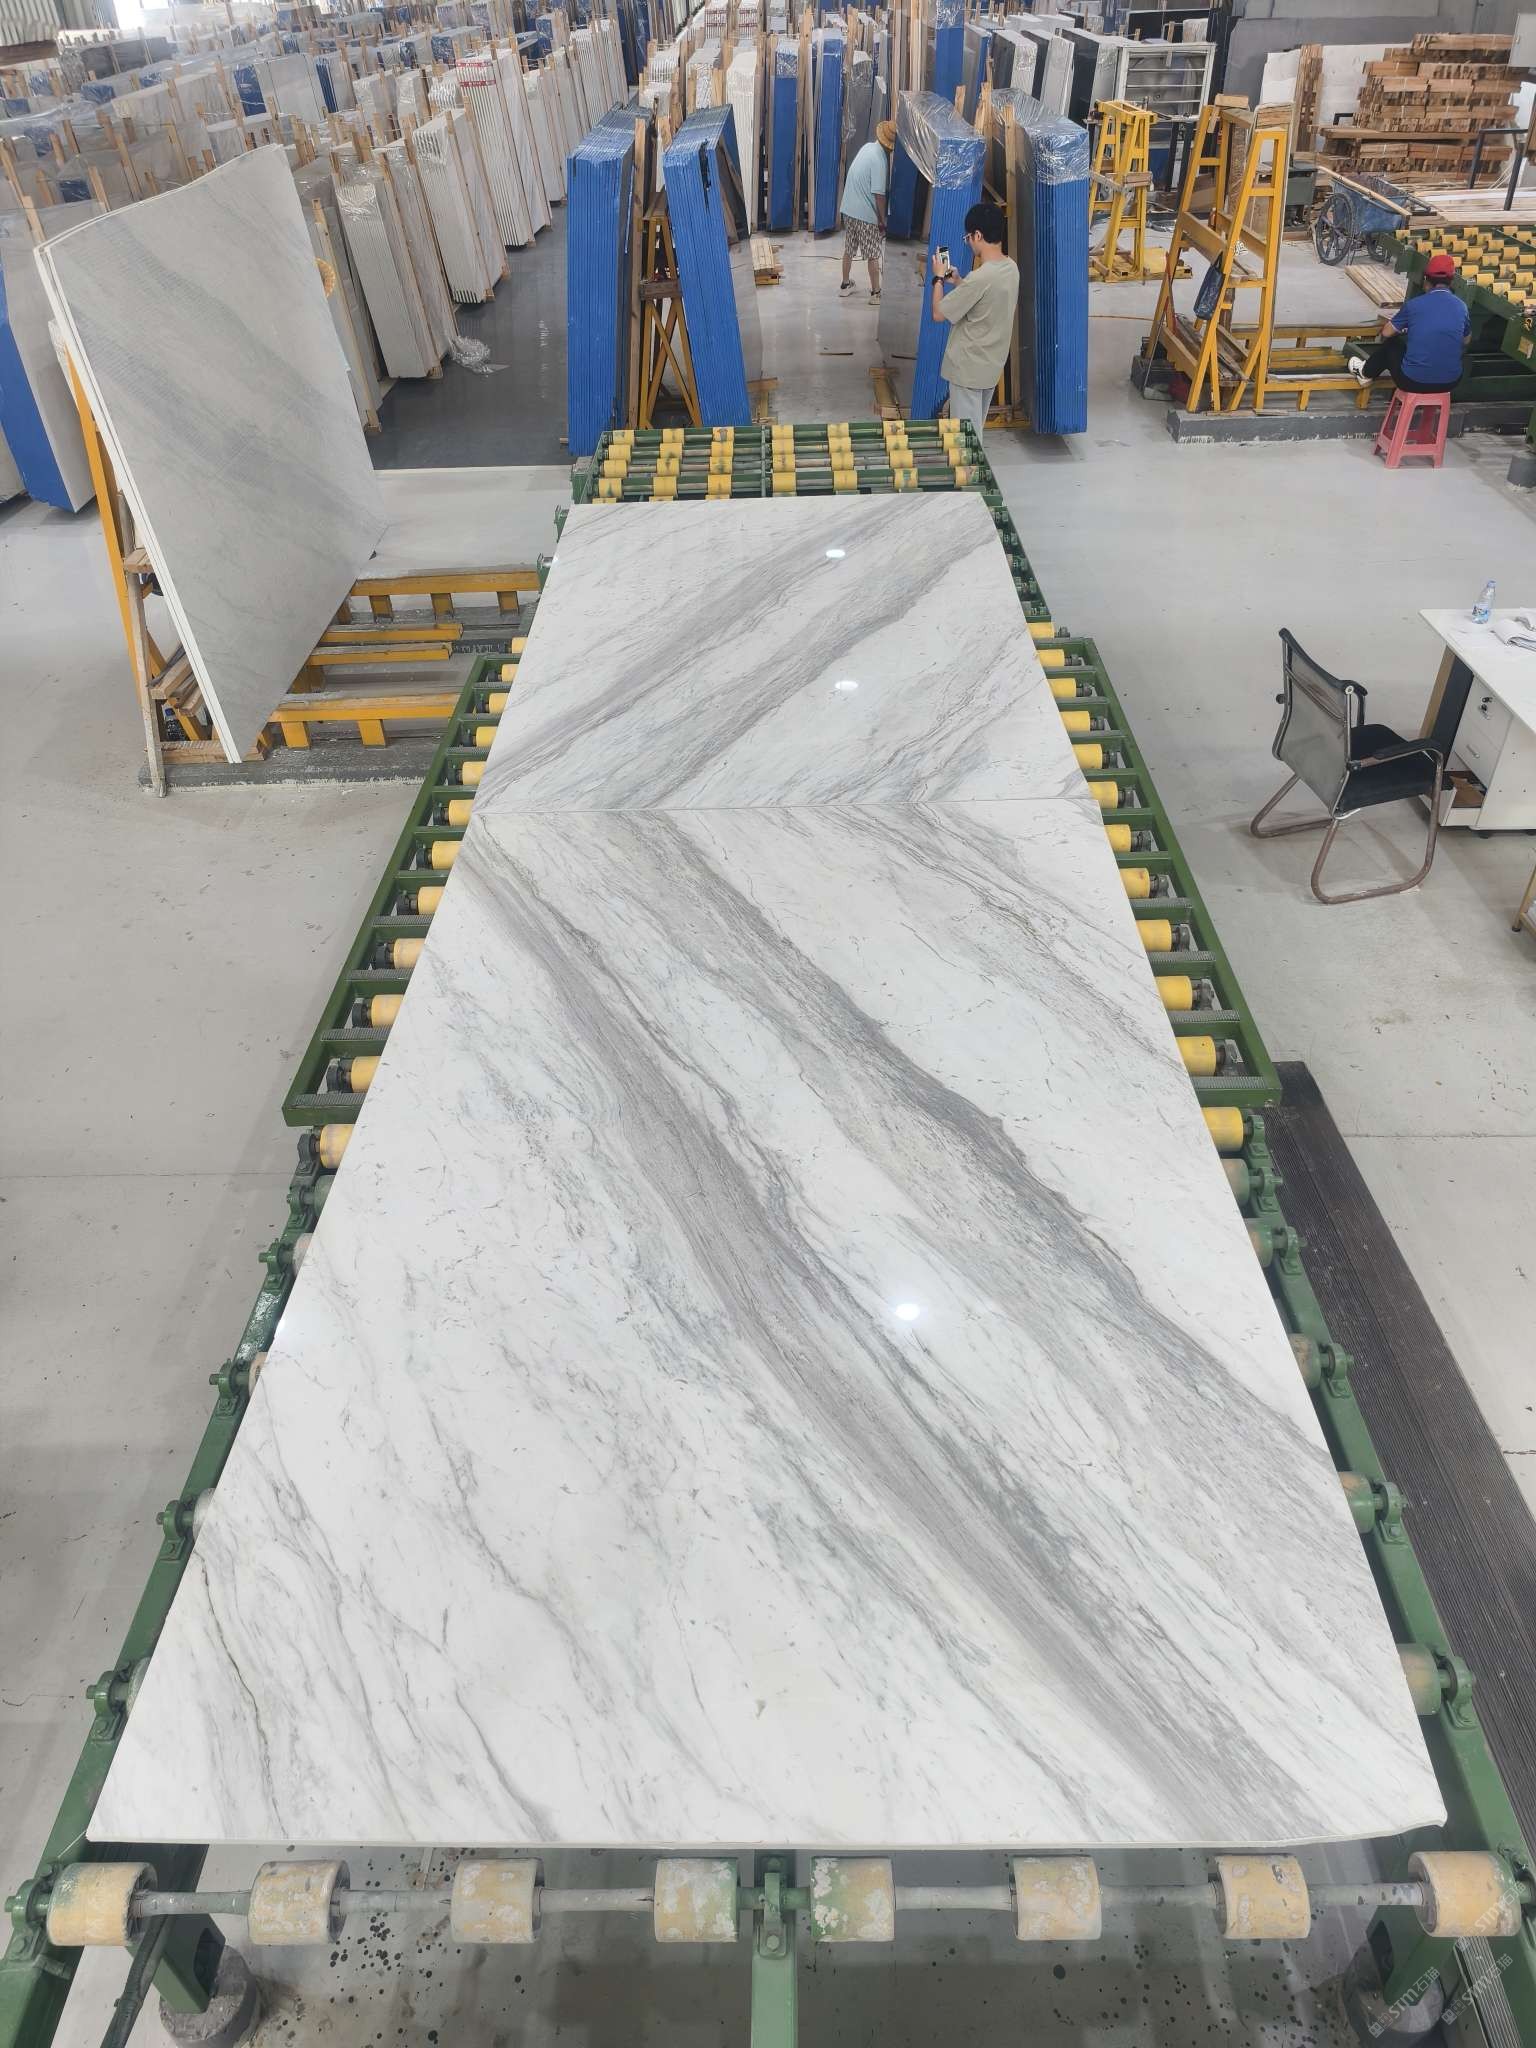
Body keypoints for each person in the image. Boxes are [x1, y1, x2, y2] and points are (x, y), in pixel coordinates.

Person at [929, 200, 1021, 436]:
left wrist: (938, 278)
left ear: (978, 235)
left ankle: (971, 463)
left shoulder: (979, 278)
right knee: (974, 431)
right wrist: (960, 282)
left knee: (966, 441)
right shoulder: (1011, 269)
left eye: (968, 237)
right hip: (990, 367)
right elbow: (984, 300)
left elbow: (938, 313)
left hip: (968, 370)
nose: (968, 242)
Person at [1350, 251, 1470, 393]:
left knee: (1391, 345)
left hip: (1413, 381)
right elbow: (1466, 340)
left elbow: (1386, 332)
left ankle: (1365, 372)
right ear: (1452, 281)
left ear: (1426, 280)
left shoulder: (1414, 305)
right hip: (1451, 382)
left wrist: (1408, 328)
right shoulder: (1462, 307)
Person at [838, 120, 897, 302]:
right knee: (873, 254)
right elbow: (879, 195)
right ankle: (876, 293)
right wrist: (882, 221)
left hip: (848, 209)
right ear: (890, 146)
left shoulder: (867, 148)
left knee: (849, 249)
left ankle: (845, 285)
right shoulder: (880, 160)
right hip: (864, 214)